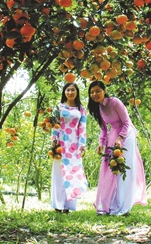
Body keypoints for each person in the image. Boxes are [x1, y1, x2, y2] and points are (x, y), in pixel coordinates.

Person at [88, 80, 147, 216]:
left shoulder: (114, 102)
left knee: (123, 168)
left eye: (97, 91)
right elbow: (103, 128)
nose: (95, 94)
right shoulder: (98, 107)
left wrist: (121, 138)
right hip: (113, 133)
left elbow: (126, 122)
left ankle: (123, 206)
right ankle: (109, 204)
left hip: (127, 134)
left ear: (104, 91)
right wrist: (101, 143)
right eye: (92, 92)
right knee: (110, 168)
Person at [50, 82, 88, 213]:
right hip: (61, 143)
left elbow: (83, 127)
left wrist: (82, 145)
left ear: (77, 92)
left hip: (75, 145)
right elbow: (54, 126)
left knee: (73, 173)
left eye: (73, 90)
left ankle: (68, 205)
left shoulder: (81, 109)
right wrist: (54, 142)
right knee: (59, 173)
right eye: (68, 90)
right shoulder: (58, 107)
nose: (70, 92)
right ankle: (58, 204)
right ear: (64, 92)